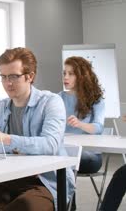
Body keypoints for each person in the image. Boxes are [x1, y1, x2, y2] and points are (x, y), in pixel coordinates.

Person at [0, 47, 75, 211]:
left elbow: (50, 144)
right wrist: (20, 148)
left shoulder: (51, 102)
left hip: (43, 182)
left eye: (13, 76)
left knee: (24, 207)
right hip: (6, 179)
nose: (8, 83)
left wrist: (7, 140)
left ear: (30, 76)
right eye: (3, 77)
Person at [59, 56, 105, 210]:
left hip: (90, 157)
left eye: (71, 74)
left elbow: (98, 128)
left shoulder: (96, 99)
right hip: (65, 152)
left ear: (82, 75)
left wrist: (80, 124)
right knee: (60, 159)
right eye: (64, 73)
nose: (66, 77)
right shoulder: (58, 98)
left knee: (64, 160)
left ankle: (68, 207)